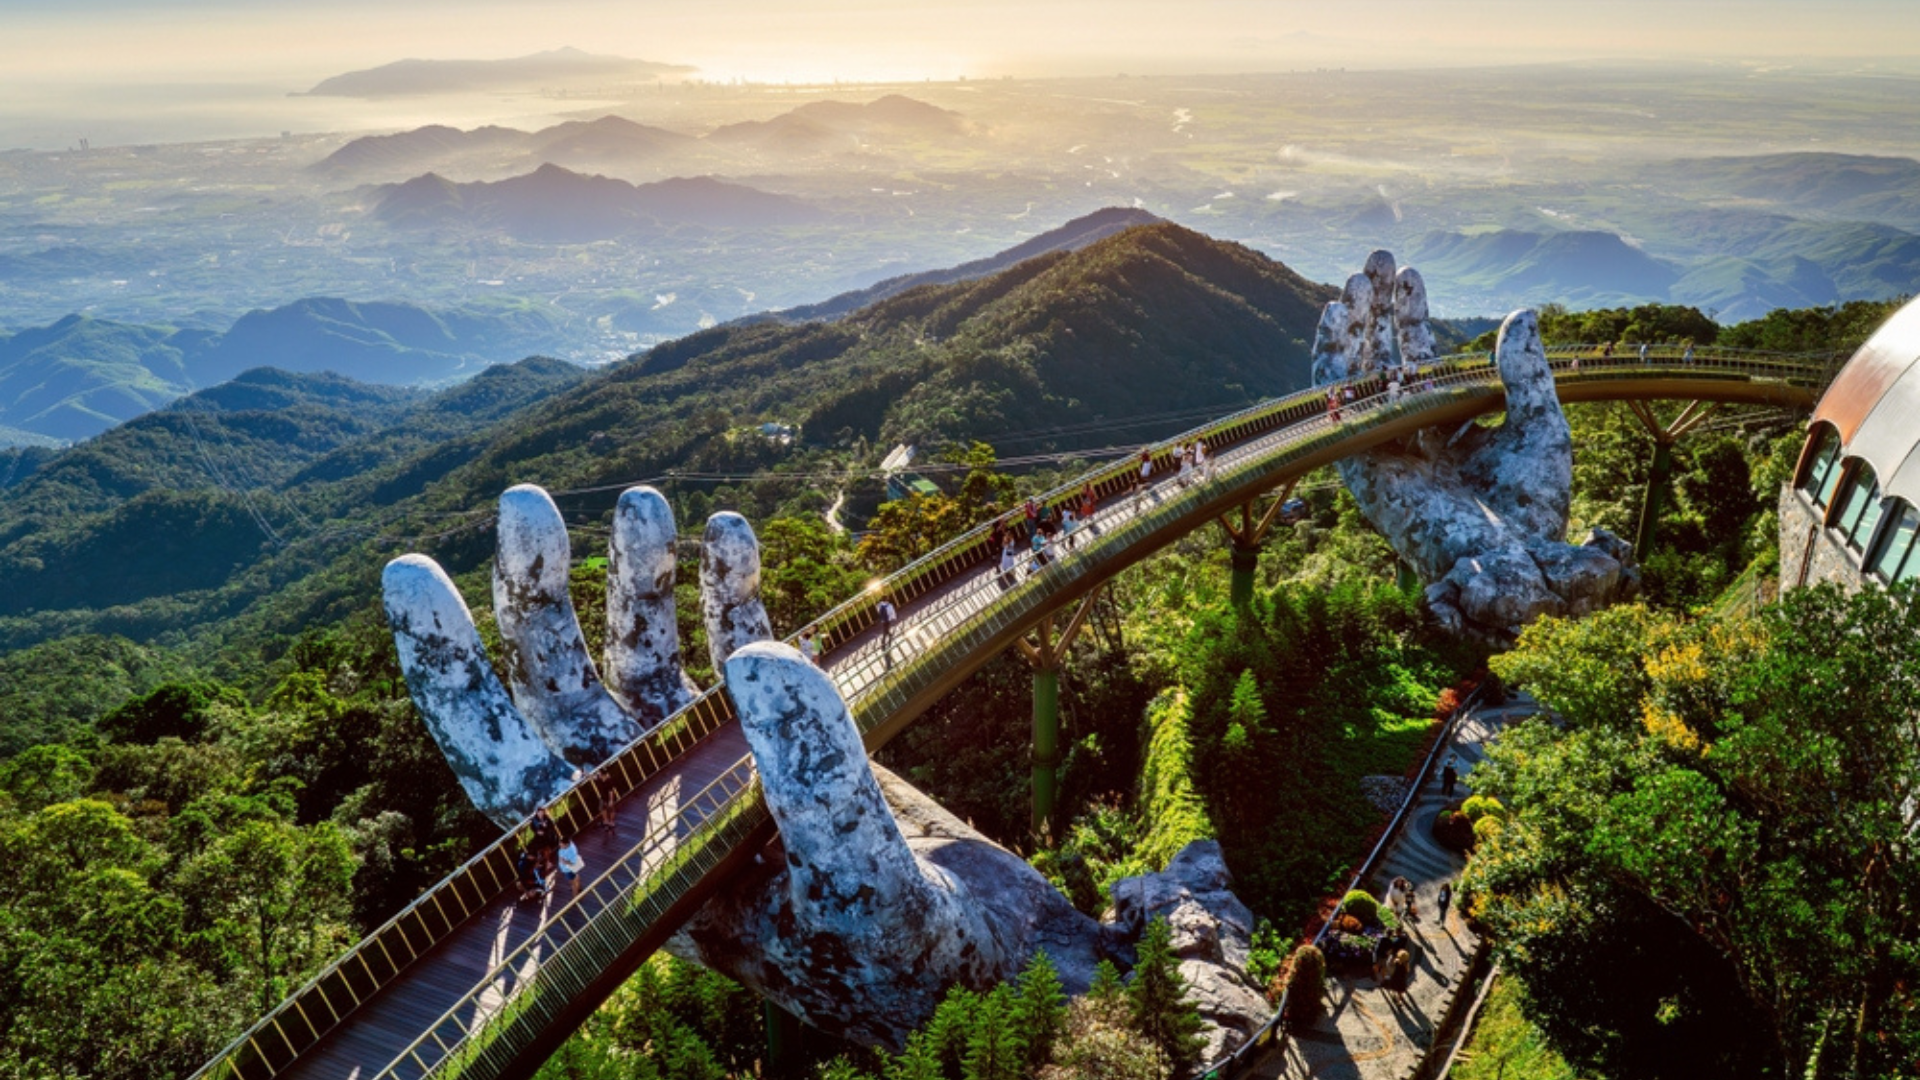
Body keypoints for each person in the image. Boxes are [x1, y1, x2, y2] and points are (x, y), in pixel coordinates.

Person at [592, 765, 619, 831]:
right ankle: (606, 821)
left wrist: (611, 800)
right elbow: (592, 777)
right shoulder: (599, 779)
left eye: (599, 773)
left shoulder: (609, 781)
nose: (598, 774)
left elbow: (611, 791)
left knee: (611, 809)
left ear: (602, 774)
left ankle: (611, 822)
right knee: (602, 808)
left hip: (608, 797)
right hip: (603, 797)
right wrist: (585, 773)